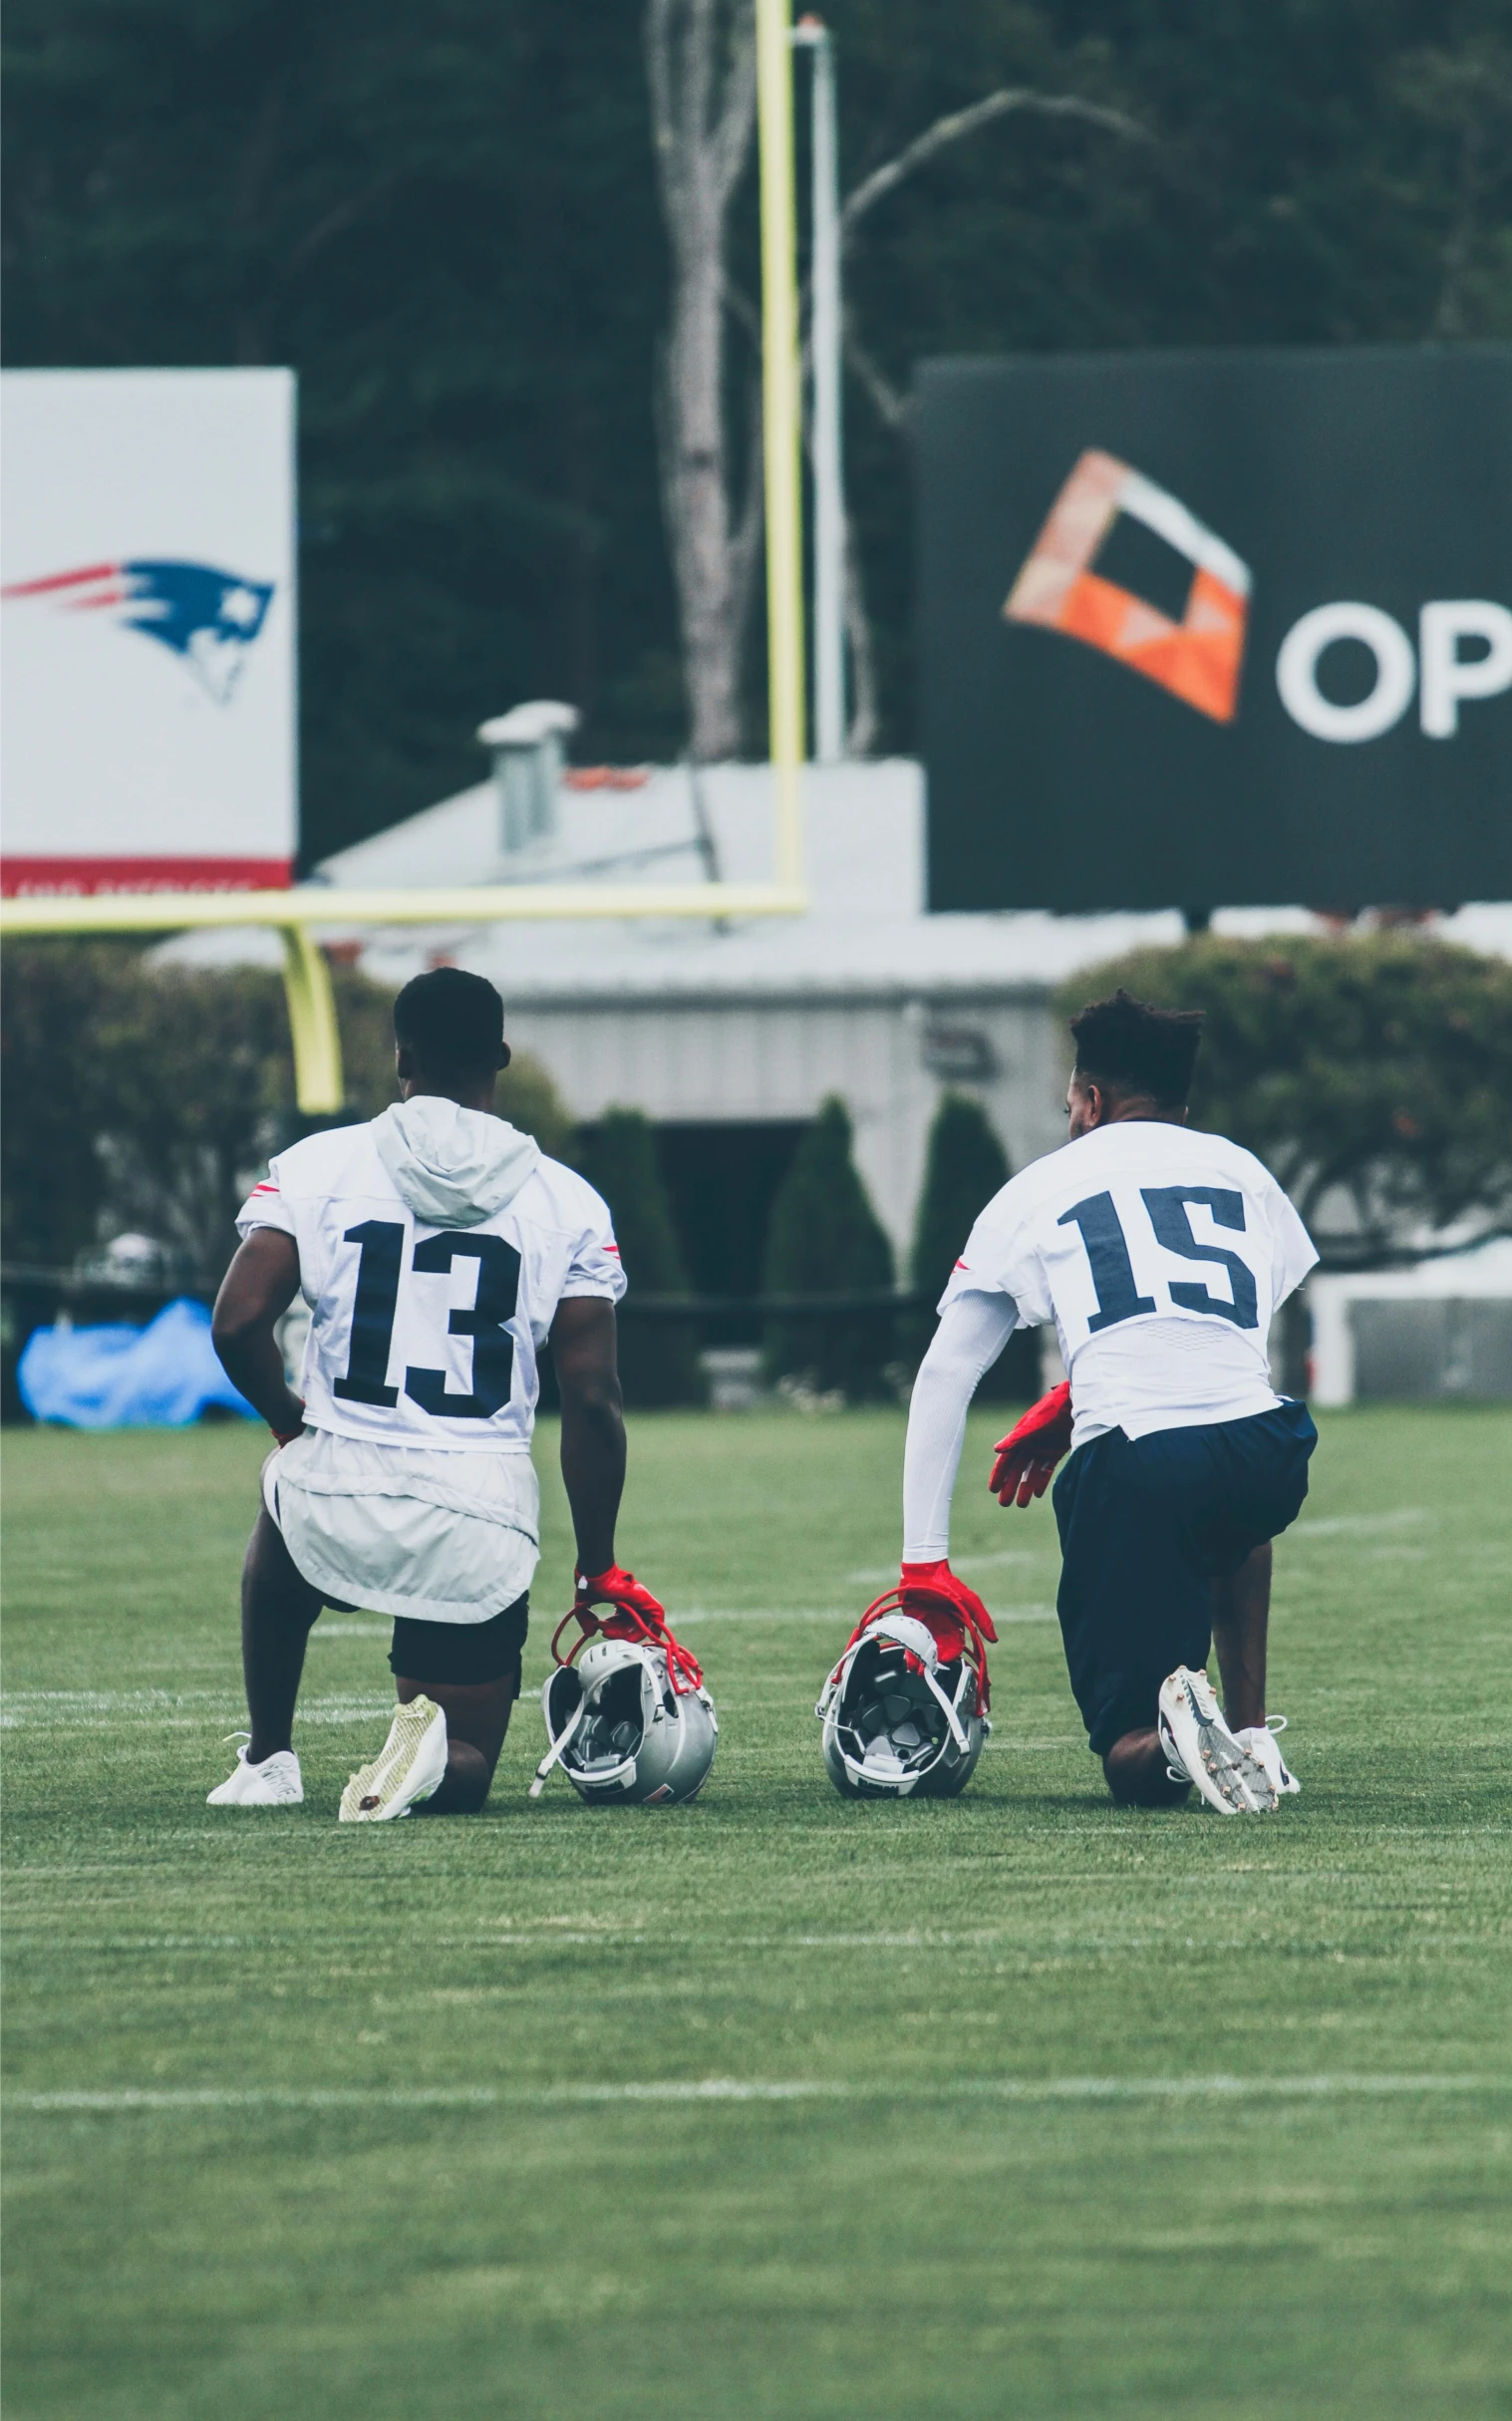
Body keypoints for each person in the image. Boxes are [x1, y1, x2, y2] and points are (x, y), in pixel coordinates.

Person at [206, 966, 660, 1821]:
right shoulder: (568, 1200)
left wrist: (288, 1424)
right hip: (476, 1517)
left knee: (284, 1501)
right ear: (500, 1056)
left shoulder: (319, 1163)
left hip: (336, 1489)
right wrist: (596, 1562)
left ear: (400, 1057)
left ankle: (269, 1755)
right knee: (467, 1762)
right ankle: (426, 1754)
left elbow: (235, 1325)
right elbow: (593, 1398)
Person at [888, 989, 1319, 1814]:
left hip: (1139, 1462)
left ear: (1088, 1100)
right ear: (1178, 1102)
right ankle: (1250, 1728)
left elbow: (947, 1371)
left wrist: (924, 1562)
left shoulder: (1041, 1185)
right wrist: (1080, 1390)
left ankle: (1169, 1733)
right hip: (1267, 1449)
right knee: (1232, 1505)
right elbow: (1208, 1335)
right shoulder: (1240, 1168)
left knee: (1127, 1763)